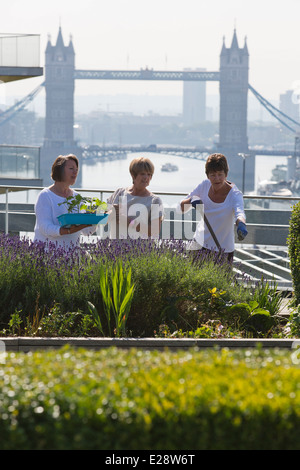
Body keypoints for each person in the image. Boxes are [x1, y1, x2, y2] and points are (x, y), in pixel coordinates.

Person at [179, 153, 247, 262]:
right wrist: (191, 201)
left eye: (220, 174)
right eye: (213, 175)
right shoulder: (204, 185)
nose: (217, 179)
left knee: (221, 279)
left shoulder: (235, 194)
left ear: (226, 174)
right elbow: (181, 207)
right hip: (199, 243)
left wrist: (241, 224)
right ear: (207, 176)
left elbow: (240, 213)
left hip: (223, 249)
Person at [34, 154, 96, 248]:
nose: (75, 171)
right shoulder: (45, 196)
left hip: (72, 255)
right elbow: (45, 228)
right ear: (59, 170)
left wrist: (94, 219)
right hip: (47, 253)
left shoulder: (77, 197)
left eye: (76, 169)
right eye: (71, 168)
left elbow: (87, 232)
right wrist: (66, 230)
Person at [107, 157, 164, 239]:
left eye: (149, 174)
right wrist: (111, 211)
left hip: (139, 251)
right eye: (142, 174)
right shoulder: (119, 193)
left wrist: (129, 222)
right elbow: (103, 218)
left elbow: (155, 231)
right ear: (133, 175)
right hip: (113, 249)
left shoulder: (155, 201)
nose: (146, 177)